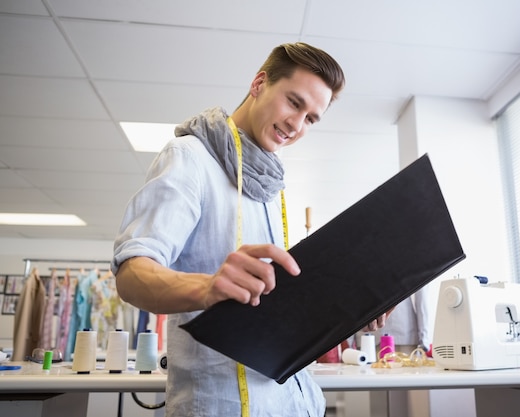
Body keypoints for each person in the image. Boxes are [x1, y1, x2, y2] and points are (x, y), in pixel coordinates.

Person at [112, 42, 387, 417]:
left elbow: (277, 303)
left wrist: (353, 309)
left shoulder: (272, 184)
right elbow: (131, 275)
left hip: (296, 401)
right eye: (294, 102)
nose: (297, 125)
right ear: (259, 83)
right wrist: (207, 288)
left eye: (310, 119)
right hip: (222, 403)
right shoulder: (190, 158)